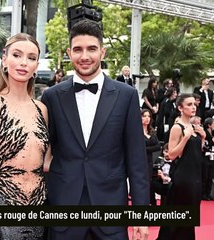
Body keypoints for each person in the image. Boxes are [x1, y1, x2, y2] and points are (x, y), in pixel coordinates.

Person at [41, 19, 149, 240]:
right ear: (69, 53)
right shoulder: (51, 96)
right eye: (78, 50)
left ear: (103, 52)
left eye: (91, 49)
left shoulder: (126, 95)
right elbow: (40, 148)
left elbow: (137, 159)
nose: (84, 56)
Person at [0, 33, 49, 240]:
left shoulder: (42, 109)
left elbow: (47, 162)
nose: (24, 62)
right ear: (4, 60)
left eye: (31, 58)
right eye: (17, 55)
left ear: (36, 66)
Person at [159, 93, 205, 240]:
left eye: (194, 104)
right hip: (183, 177)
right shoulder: (177, 128)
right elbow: (171, 155)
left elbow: (196, 153)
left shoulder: (193, 126)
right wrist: (185, 138)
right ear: (180, 108)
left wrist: (202, 138)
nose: (193, 107)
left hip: (196, 176)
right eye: (189, 104)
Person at [141, 109, 161, 205]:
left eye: (148, 116)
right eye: (144, 116)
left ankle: (150, 202)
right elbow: (137, 147)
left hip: (149, 160)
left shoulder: (152, 131)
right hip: (139, 161)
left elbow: (158, 146)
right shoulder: (136, 131)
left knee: (149, 182)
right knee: (141, 183)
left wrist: (145, 149)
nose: (147, 118)